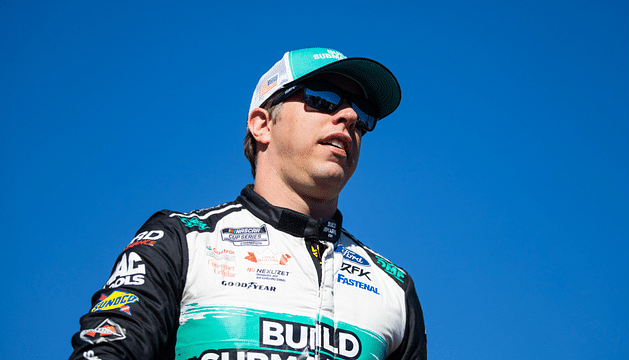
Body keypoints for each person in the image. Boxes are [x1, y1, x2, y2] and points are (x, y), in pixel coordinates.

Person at [70, 47, 427, 360]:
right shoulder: (181, 242)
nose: (349, 117)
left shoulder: (394, 289)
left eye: (363, 114)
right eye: (323, 97)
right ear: (262, 125)